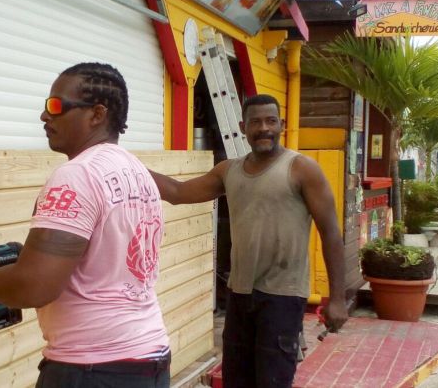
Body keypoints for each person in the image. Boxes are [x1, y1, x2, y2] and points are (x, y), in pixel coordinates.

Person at [0, 62, 170, 388]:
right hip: (150, 357)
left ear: (97, 114)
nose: (45, 116)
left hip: (92, 369)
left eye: (56, 106)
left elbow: (34, 288)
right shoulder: (136, 171)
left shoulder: (77, 176)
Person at [149, 94, 347, 388]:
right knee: (236, 381)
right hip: (240, 295)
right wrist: (127, 164)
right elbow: (178, 193)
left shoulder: (301, 169)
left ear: (280, 124)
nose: (263, 128)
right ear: (243, 126)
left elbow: (331, 232)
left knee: (272, 381)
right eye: (256, 122)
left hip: (283, 296)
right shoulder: (229, 171)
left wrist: (338, 299)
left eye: (270, 121)